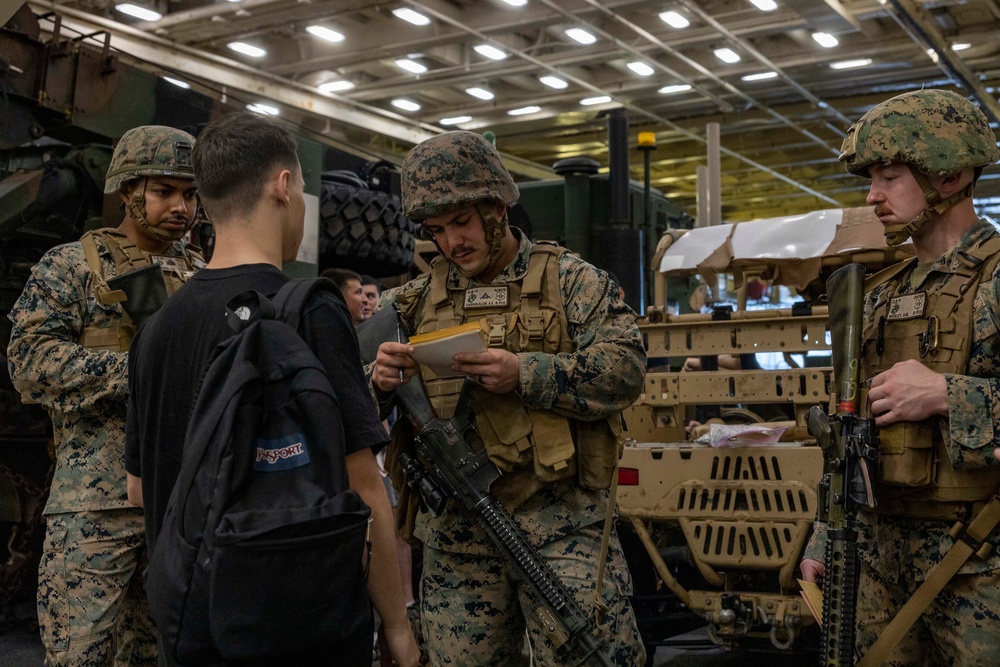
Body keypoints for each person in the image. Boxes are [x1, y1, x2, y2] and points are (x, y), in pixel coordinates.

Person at [123, 112, 419, 666]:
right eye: (303, 188)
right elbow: (363, 486)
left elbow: (140, 492)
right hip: (297, 629)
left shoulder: (155, 330)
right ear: (283, 186)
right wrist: (399, 631)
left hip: (190, 628)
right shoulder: (307, 311)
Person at [370, 130, 647, 665]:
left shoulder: (572, 283)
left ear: (497, 209)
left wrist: (526, 372)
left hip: (562, 527)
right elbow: (347, 400)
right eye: (438, 230)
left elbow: (627, 369)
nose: (453, 243)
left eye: (463, 223)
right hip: (457, 536)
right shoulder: (410, 301)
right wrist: (377, 381)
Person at [800, 89, 1000, 665]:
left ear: (950, 175)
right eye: (871, 178)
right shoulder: (881, 293)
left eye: (890, 176)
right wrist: (824, 534)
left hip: (980, 562)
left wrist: (946, 395)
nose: (872, 195)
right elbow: (848, 428)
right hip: (877, 559)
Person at [6, 125, 205, 666]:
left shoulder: (205, 278)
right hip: (96, 506)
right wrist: (140, 370)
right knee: (80, 655)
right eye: (165, 191)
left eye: (190, 194)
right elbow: (30, 364)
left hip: (179, 505)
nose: (181, 207)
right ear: (127, 192)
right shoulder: (72, 266)